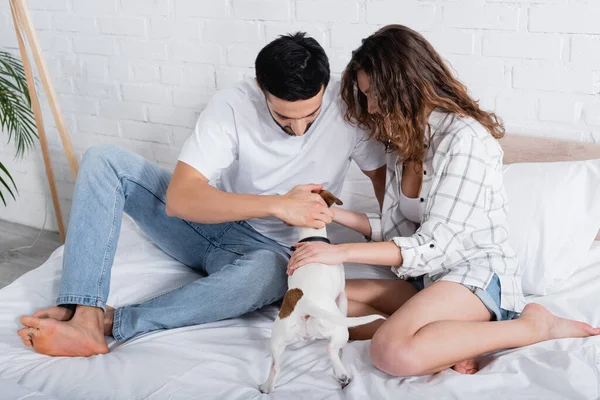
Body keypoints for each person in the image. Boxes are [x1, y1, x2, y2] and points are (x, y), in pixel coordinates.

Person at [17, 32, 387, 357]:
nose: (299, 128)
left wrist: (401, 248)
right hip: (209, 226)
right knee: (105, 160)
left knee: (267, 274)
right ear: (261, 88)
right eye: (285, 118)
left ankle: (113, 323)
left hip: (271, 255)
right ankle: (83, 310)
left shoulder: (348, 108)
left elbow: (383, 187)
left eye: (310, 116)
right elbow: (181, 200)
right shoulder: (233, 103)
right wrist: (278, 205)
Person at [286, 25, 600, 376]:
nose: (371, 107)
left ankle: (534, 326)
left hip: (475, 276)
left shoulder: (464, 140)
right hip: (430, 279)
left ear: (404, 83)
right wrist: (334, 214)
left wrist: (339, 252)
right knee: (318, 306)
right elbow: (396, 230)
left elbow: (434, 245)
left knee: (389, 352)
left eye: (374, 93)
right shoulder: (404, 142)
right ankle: (447, 343)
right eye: (366, 95)